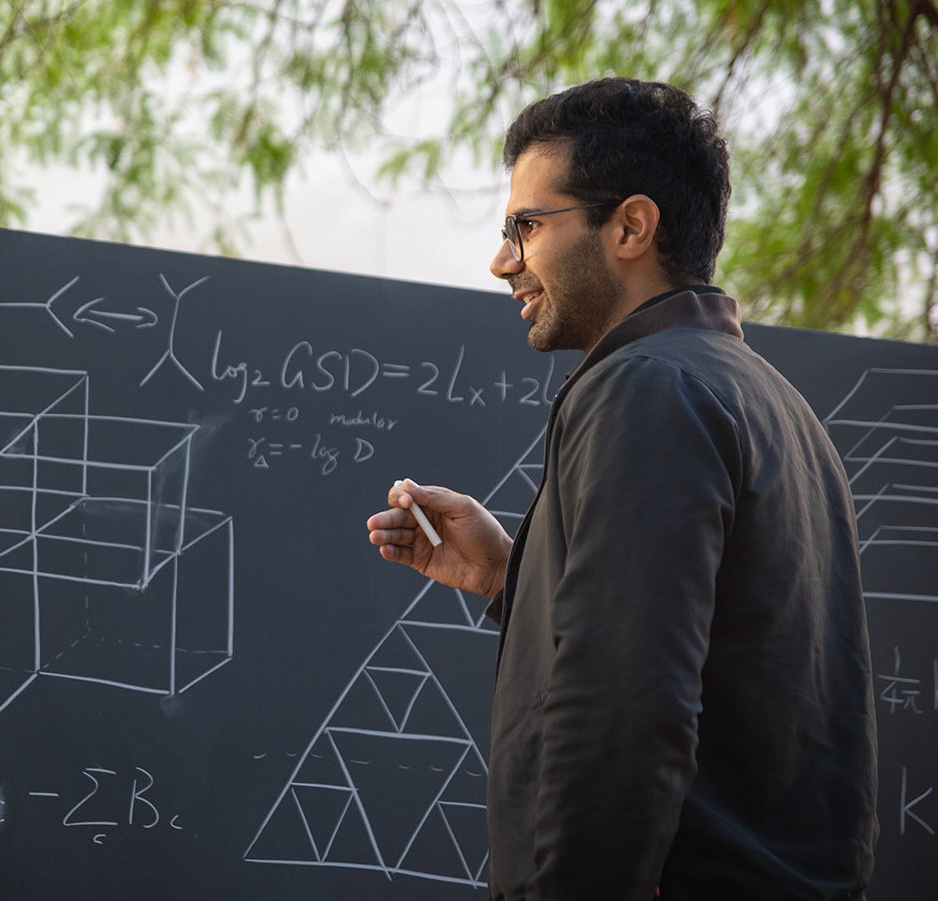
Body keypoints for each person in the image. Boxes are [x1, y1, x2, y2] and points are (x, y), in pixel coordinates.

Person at [367, 78, 877, 899]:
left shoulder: (644, 388)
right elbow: (725, 657)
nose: (502, 261)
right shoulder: (779, 408)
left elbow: (626, 709)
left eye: (525, 227)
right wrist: (510, 574)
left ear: (631, 226)